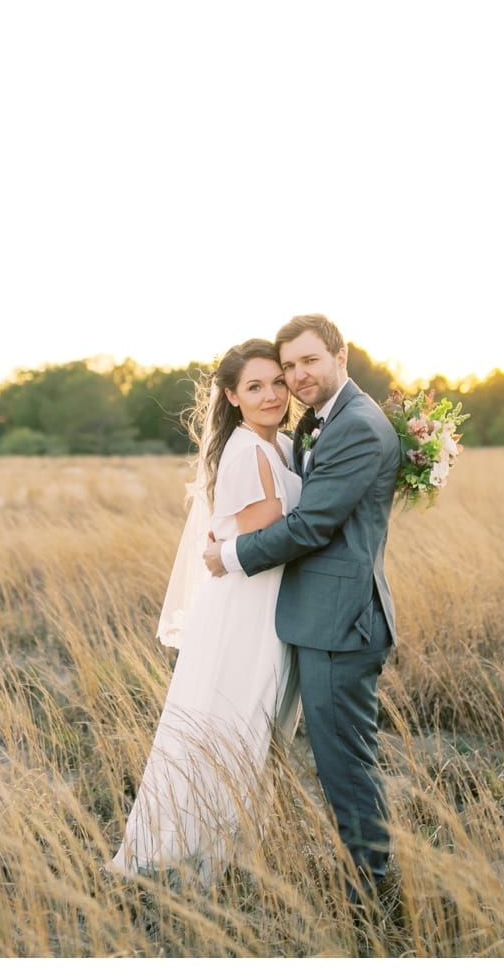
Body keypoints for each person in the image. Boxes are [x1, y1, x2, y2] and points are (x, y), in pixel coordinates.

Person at [203, 314, 400, 909]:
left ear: (341, 355)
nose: (297, 376)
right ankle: (368, 881)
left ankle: (370, 895)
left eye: (308, 361)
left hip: (341, 621)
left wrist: (231, 554)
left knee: (345, 765)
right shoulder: (326, 420)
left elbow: (313, 524)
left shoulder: (357, 425)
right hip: (324, 614)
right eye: (289, 366)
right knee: (341, 759)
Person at [109, 339, 303, 885]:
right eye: (255, 387)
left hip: (262, 596)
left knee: (246, 718)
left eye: (277, 383)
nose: (270, 396)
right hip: (245, 603)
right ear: (232, 396)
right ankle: (187, 847)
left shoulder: (279, 445)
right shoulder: (249, 450)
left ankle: (221, 847)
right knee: (229, 717)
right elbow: (266, 523)